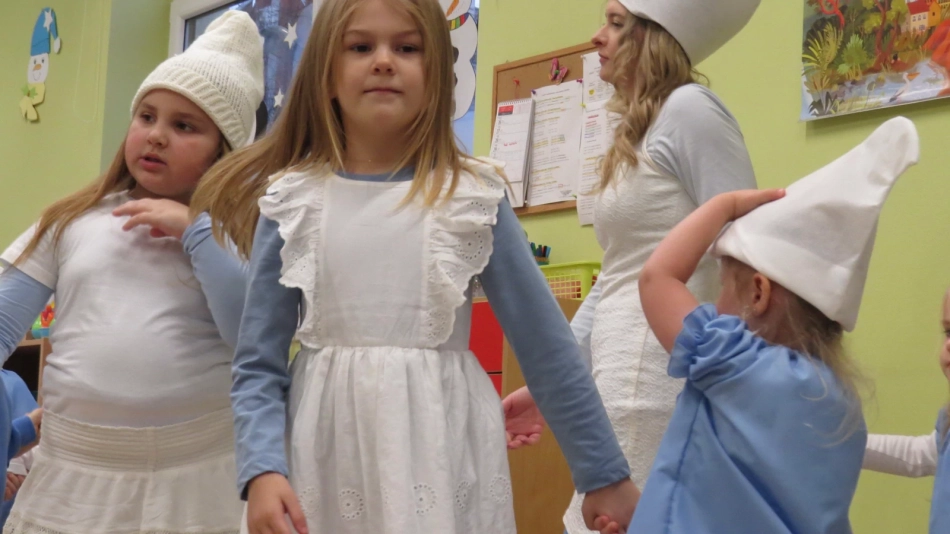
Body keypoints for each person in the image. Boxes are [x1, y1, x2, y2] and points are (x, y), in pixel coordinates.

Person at [191, 0, 638, 532]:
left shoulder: (471, 196)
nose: (384, 61)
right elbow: (258, 363)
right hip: (322, 459)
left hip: (439, 455)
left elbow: (548, 349)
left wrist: (603, 474)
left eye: (406, 48)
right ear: (327, 75)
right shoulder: (292, 202)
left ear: (438, 77)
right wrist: (262, 470)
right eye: (361, 46)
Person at [499, 1, 761, 531]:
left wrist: (737, 379)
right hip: (617, 379)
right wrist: (554, 386)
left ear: (655, 38)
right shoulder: (636, 129)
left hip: (660, 381)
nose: (598, 36)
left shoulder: (691, 110)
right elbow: (616, 277)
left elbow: (747, 247)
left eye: (616, 24)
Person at [0, 11, 262, 533]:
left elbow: (253, 338)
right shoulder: (72, 221)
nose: (156, 135)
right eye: (146, 117)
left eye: (184, 126)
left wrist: (197, 234)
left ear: (224, 153)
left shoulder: (235, 239)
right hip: (74, 479)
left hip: (197, 480)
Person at [593, 117, 917, 533]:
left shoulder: (736, 362)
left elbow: (657, 278)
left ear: (759, 294)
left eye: (724, 287)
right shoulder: (844, 407)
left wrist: (723, 205)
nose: (714, 305)